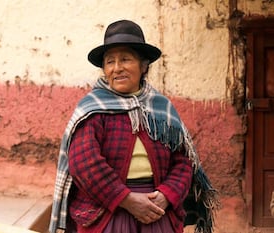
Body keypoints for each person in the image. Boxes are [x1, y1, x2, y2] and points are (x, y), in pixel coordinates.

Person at [49, 19, 219, 233]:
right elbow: (84, 163)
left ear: (144, 65)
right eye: (110, 62)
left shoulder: (162, 109)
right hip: (108, 210)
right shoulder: (92, 109)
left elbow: (183, 162)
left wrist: (167, 195)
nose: (117, 68)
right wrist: (126, 199)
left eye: (125, 59)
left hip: (156, 209)